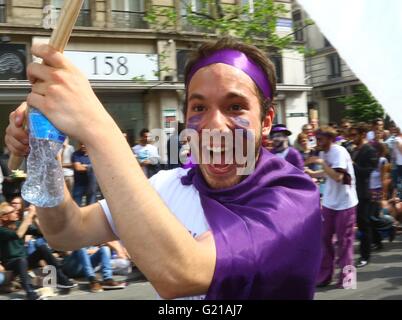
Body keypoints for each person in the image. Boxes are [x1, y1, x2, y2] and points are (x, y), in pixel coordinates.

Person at [5, 37, 321, 299]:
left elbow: (182, 273)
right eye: (199, 108)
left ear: (265, 123)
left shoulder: (293, 197)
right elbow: (65, 232)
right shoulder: (170, 184)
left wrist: (95, 126)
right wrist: (44, 151)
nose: (213, 126)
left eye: (235, 106)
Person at [305, 126, 358, 288]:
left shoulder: (339, 152)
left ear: (329, 139)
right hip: (329, 202)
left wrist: (320, 163)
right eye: (317, 138)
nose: (318, 142)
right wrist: (313, 174)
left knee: (344, 242)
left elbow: (337, 176)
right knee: (325, 240)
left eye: (320, 139)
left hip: (345, 203)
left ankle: (348, 278)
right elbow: (328, 172)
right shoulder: (323, 152)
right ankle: (325, 276)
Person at [0, 202, 76, 300]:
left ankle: (62, 279)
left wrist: (35, 218)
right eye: (13, 211)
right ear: (4, 217)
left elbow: (41, 233)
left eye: (16, 211)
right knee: (21, 261)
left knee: (42, 248)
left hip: (24, 260)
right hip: (11, 263)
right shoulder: (1, 230)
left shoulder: (19, 224)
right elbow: (17, 235)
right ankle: (30, 292)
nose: (16, 212)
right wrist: (29, 216)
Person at [349, 124, 379, 268]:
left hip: (364, 192)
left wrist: (352, 165)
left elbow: (367, 172)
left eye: (354, 135)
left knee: (363, 224)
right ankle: (378, 239)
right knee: (366, 222)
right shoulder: (354, 150)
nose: (351, 138)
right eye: (350, 135)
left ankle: (365, 256)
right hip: (352, 191)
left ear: (362, 135)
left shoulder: (370, 150)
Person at [62, 245, 127, 293]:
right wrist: (88, 251)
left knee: (105, 249)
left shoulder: (92, 233)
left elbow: (104, 246)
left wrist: (88, 251)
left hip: (86, 265)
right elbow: (67, 253)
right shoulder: (68, 232)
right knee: (80, 248)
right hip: (72, 267)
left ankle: (108, 279)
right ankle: (92, 280)